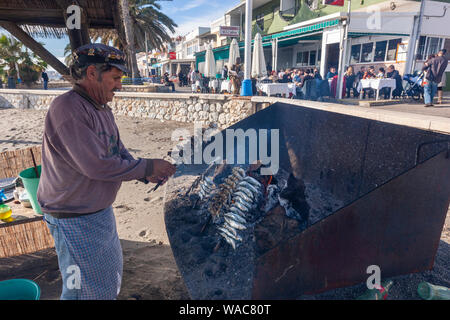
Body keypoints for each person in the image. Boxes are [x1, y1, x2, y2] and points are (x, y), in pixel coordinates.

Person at [37, 43, 176, 300]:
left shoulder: (102, 108)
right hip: (73, 219)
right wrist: (146, 165)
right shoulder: (67, 108)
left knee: (106, 281)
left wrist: (144, 173)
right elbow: (96, 165)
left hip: (97, 213)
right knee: (80, 290)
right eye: (115, 78)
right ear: (92, 73)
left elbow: (117, 151)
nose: (119, 86)